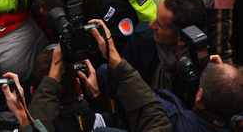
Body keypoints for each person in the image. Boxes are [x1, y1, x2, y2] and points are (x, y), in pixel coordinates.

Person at [28, 26, 172, 132]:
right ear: (79, 85)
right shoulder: (106, 123)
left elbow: (38, 128)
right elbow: (153, 117)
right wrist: (116, 60)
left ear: (32, 92)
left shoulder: (19, 126)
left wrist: (51, 82)